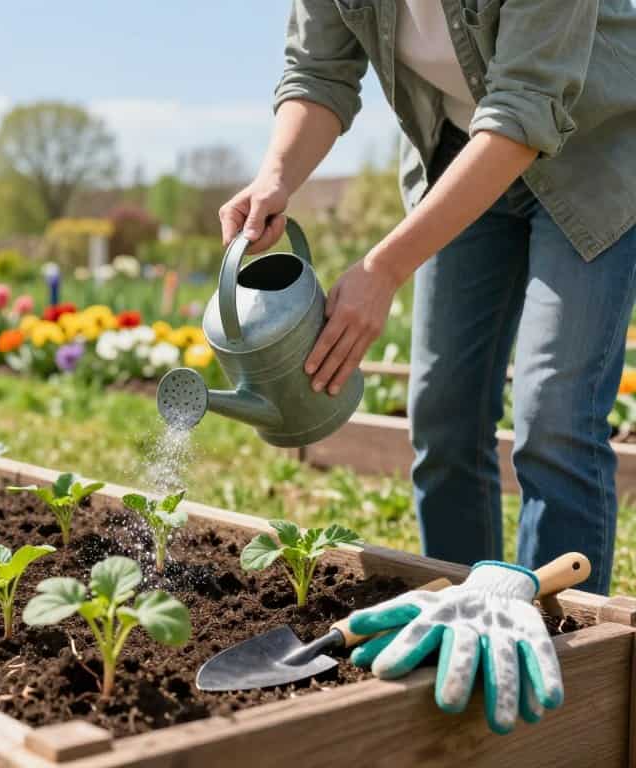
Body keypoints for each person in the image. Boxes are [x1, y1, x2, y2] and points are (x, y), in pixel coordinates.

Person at [219, 0, 636, 596]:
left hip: (594, 155)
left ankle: (559, 653)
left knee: (555, 417)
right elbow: (318, 70)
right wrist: (276, 177)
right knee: (443, 414)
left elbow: (525, 106)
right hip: (458, 160)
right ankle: (461, 622)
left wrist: (384, 268)